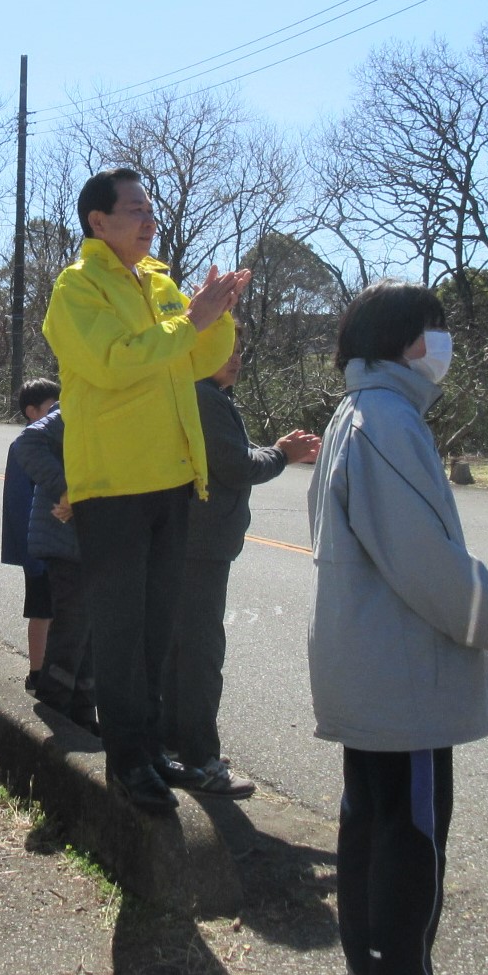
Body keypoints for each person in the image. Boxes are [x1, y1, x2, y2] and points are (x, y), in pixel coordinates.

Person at [308, 282, 488, 975]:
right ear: (403, 343)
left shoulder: (357, 413)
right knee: (409, 840)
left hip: (370, 668)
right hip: (402, 677)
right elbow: (433, 570)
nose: (444, 346)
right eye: (435, 331)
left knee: (373, 828)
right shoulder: (388, 422)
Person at [40, 168, 246, 812]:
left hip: (171, 477)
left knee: (159, 627)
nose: (148, 221)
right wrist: (192, 320)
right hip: (114, 483)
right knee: (123, 629)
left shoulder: (159, 283)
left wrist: (214, 315)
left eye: (149, 210)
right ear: (97, 222)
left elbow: (196, 361)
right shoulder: (76, 288)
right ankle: (128, 761)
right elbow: (116, 361)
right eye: (134, 211)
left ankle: (153, 748)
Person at [161, 337, 319, 798]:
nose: (234, 359)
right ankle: (199, 758)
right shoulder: (204, 398)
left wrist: (276, 451)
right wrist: (283, 453)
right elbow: (234, 465)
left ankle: (174, 743)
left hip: (188, 541)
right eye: (223, 348)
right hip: (200, 545)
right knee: (199, 654)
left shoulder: (198, 393)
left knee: (179, 649)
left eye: (240, 352)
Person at [9, 405, 97, 733]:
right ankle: (54, 710)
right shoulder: (75, 405)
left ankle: (83, 715)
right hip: (65, 539)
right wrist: (68, 489)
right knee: (72, 630)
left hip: (91, 541)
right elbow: (27, 444)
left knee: (87, 634)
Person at [1, 378, 61, 691]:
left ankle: (54, 671)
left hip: (58, 543)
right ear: (31, 411)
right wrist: (29, 551)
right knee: (41, 610)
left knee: (59, 611)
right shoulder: (24, 446)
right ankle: (37, 671)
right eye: (51, 408)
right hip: (37, 546)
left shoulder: (58, 443)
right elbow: (18, 501)